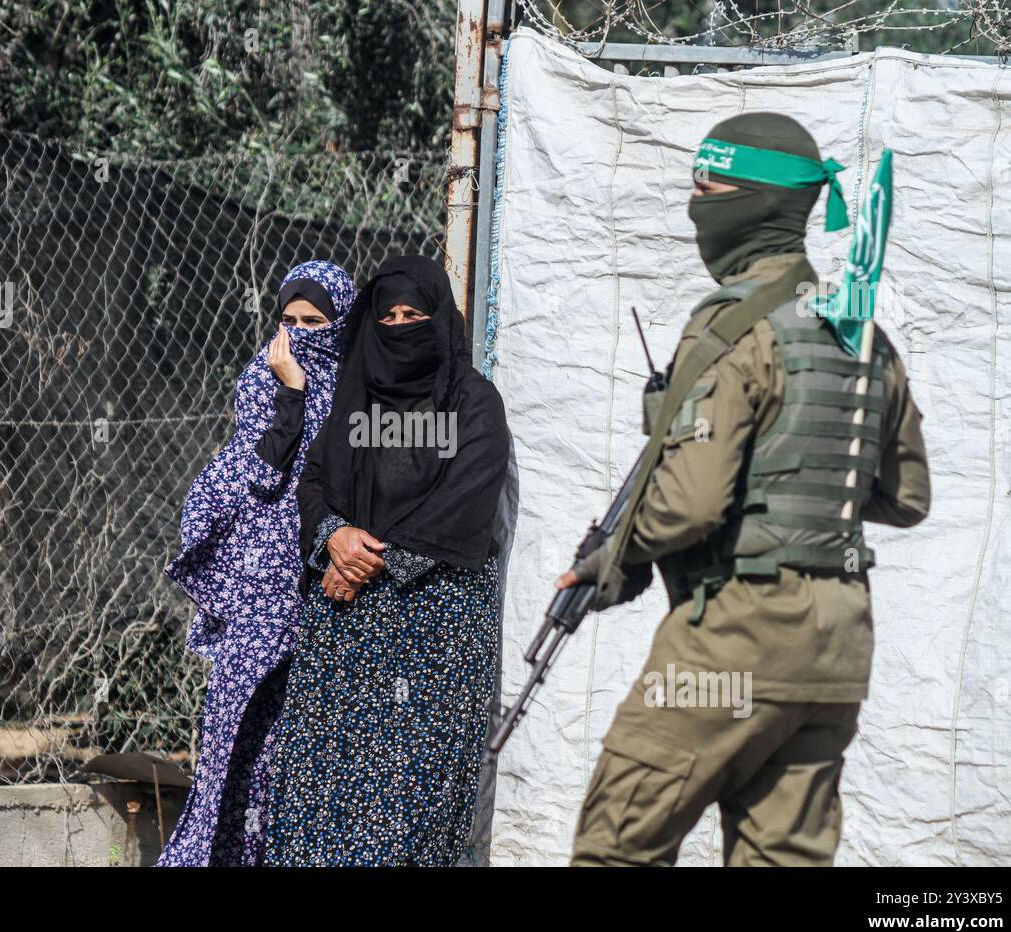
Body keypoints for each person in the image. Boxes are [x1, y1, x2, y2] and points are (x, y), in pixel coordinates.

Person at [562, 113, 931, 866]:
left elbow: (689, 505)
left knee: (618, 844)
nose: (696, 205)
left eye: (708, 187)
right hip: (835, 648)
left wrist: (608, 562)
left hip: (733, 644)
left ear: (756, 204)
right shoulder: (861, 335)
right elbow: (905, 496)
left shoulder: (729, 331)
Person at [263, 255, 510, 866]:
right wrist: (335, 539)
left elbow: (463, 502)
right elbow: (314, 481)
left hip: (433, 625)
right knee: (319, 787)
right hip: (345, 622)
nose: (401, 326)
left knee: (407, 800)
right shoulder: (356, 402)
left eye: (415, 314)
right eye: (389, 315)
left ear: (441, 319)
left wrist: (366, 562)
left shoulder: (472, 405)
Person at [156, 260, 357, 867]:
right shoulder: (260, 382)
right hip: (256, 597)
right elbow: (264, 472)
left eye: (314, 321)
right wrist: (291, 390)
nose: (298, 332)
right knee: (231, 748)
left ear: (340, 324)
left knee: (293, 760)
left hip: (325, 593)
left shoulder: (355, 393)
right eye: (288, 320)